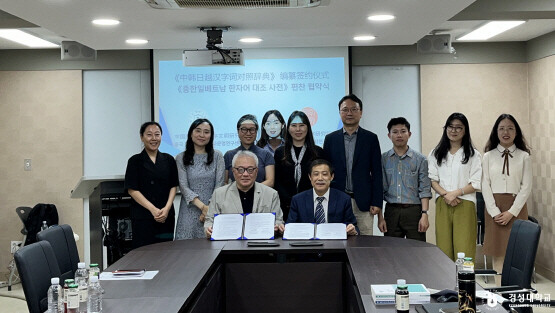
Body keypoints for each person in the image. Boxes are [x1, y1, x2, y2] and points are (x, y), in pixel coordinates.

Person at [323, 94, 383, 235]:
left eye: (354, 109)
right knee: (336, 241)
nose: (349, 113)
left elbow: (377, 172)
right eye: (345, 110)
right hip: (336, 199)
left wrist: (377, 202)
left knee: (365, 244)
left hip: (363, 203)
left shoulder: (371, 139)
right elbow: (325, 171)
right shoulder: (330, 139)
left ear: (361, 112)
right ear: (340, 113)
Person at [482, 114, 531, 284]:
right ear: (496, 132)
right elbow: (484, 185)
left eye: (510, 128)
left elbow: (526, 187)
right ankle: (500, 294)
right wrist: (495, 211)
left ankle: (516, 292)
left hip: (516, 207)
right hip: (494, 208)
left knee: (517, 252)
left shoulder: (524, 156)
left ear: (516, 132)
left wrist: (512, 212)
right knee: (499, 252)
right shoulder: (488, 156)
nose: (506, 132)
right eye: (502, 128)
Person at [428, 113, 481, 261]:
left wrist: (455, 193)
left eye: (459, 127)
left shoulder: (473, 155)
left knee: (464, 249)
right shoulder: (435, 153)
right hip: (442, 203)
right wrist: (446, 195)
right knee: (443, 249)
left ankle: (465, 283)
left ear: (465, 131)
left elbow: (476, 182)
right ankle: (446, 283)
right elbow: (432, 179)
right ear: (446, 129)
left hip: (465, 203)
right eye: (450, 126)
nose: (454, 130)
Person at [204, 150, 284, 237]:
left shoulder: (271, 194)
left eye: (250, 170)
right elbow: (209, 221)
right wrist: (208, 229)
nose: (245, 174)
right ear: (233, 171)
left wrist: (277, 227)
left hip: (261, 245)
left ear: (256, 171)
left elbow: (278, 220)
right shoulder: (219, 194)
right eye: (240, 170)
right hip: (229, 246)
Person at [124, 121, 178, 249]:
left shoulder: (169, 159)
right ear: (142, 137)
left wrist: (167, 208)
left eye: (157, 134)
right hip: (143, 217)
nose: (154, 138)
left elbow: (173, 186)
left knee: (166, 253)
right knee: (144, 254)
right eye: (149, 135)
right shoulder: (134, 161)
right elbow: (132, 190)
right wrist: (153, 210)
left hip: (166, 216)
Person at [380, 117, 432, 241]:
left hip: (413, 211)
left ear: (409, 134)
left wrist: (424, 214)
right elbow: (379, 189)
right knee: (391, 251)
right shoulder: (383, 159)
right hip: (391, 211)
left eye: (403, 131)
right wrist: (380, 217)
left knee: (417, 252)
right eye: (395, 132)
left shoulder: (420, 159)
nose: (399, 135)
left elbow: (425, 188)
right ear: (389, 135)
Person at [175, 119, 225, 240]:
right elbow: (183, 186)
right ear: (191, 134)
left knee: (211, 248)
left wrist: (208, 208)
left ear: (211, 136)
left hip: (212, 209)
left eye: (206, 132)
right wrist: (203, 208)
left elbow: (219, 185)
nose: (202, 135)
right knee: (186, 251)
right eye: (198, 131)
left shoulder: (218, 156)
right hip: (189, 211)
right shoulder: (181, 157)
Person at [274, 111, 325, 221]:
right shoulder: (280, 152)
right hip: (285, 207)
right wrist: (289, 200)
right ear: (288, 128)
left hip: (311, 205)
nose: (298, 129)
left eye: (302, 125)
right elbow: (277, 182)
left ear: (308, 128)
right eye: (294, 126)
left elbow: (321, 181)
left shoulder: (318, 152)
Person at [287, 159, 358, 236]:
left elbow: (353, 226)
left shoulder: (344, 199)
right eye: (316, 174)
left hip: (334, 244)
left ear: (332, 177)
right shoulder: (298, 200)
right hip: (306, 244)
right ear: (310, 177)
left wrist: (352, 230)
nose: (320, 178)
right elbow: (290, 227)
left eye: (324, 174)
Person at [224, 114, 275, 187]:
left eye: (252, 129)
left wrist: (249, 190)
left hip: (260, 196)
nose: (248, 133)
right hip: (234, 196)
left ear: (256, 131)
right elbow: (224, 182)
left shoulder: (266, 155)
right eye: (244, 129)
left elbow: (270, 181)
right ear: (238, 131)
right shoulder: (229, 155)